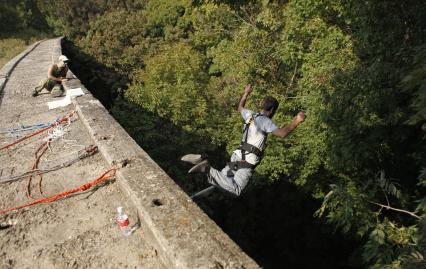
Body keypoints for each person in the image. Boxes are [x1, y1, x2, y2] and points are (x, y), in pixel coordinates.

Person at [185, 84, 306, 196]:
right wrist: (296, 121)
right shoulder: (265, 121)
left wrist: (246, 93)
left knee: (221, 182)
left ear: (262, 105)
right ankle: (205, 168)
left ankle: (201, 181)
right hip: (247, 161)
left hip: (237, 156)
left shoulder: (250, 114)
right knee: (236, 190)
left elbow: (240, 107)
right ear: (272, 109)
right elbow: (283, 133)